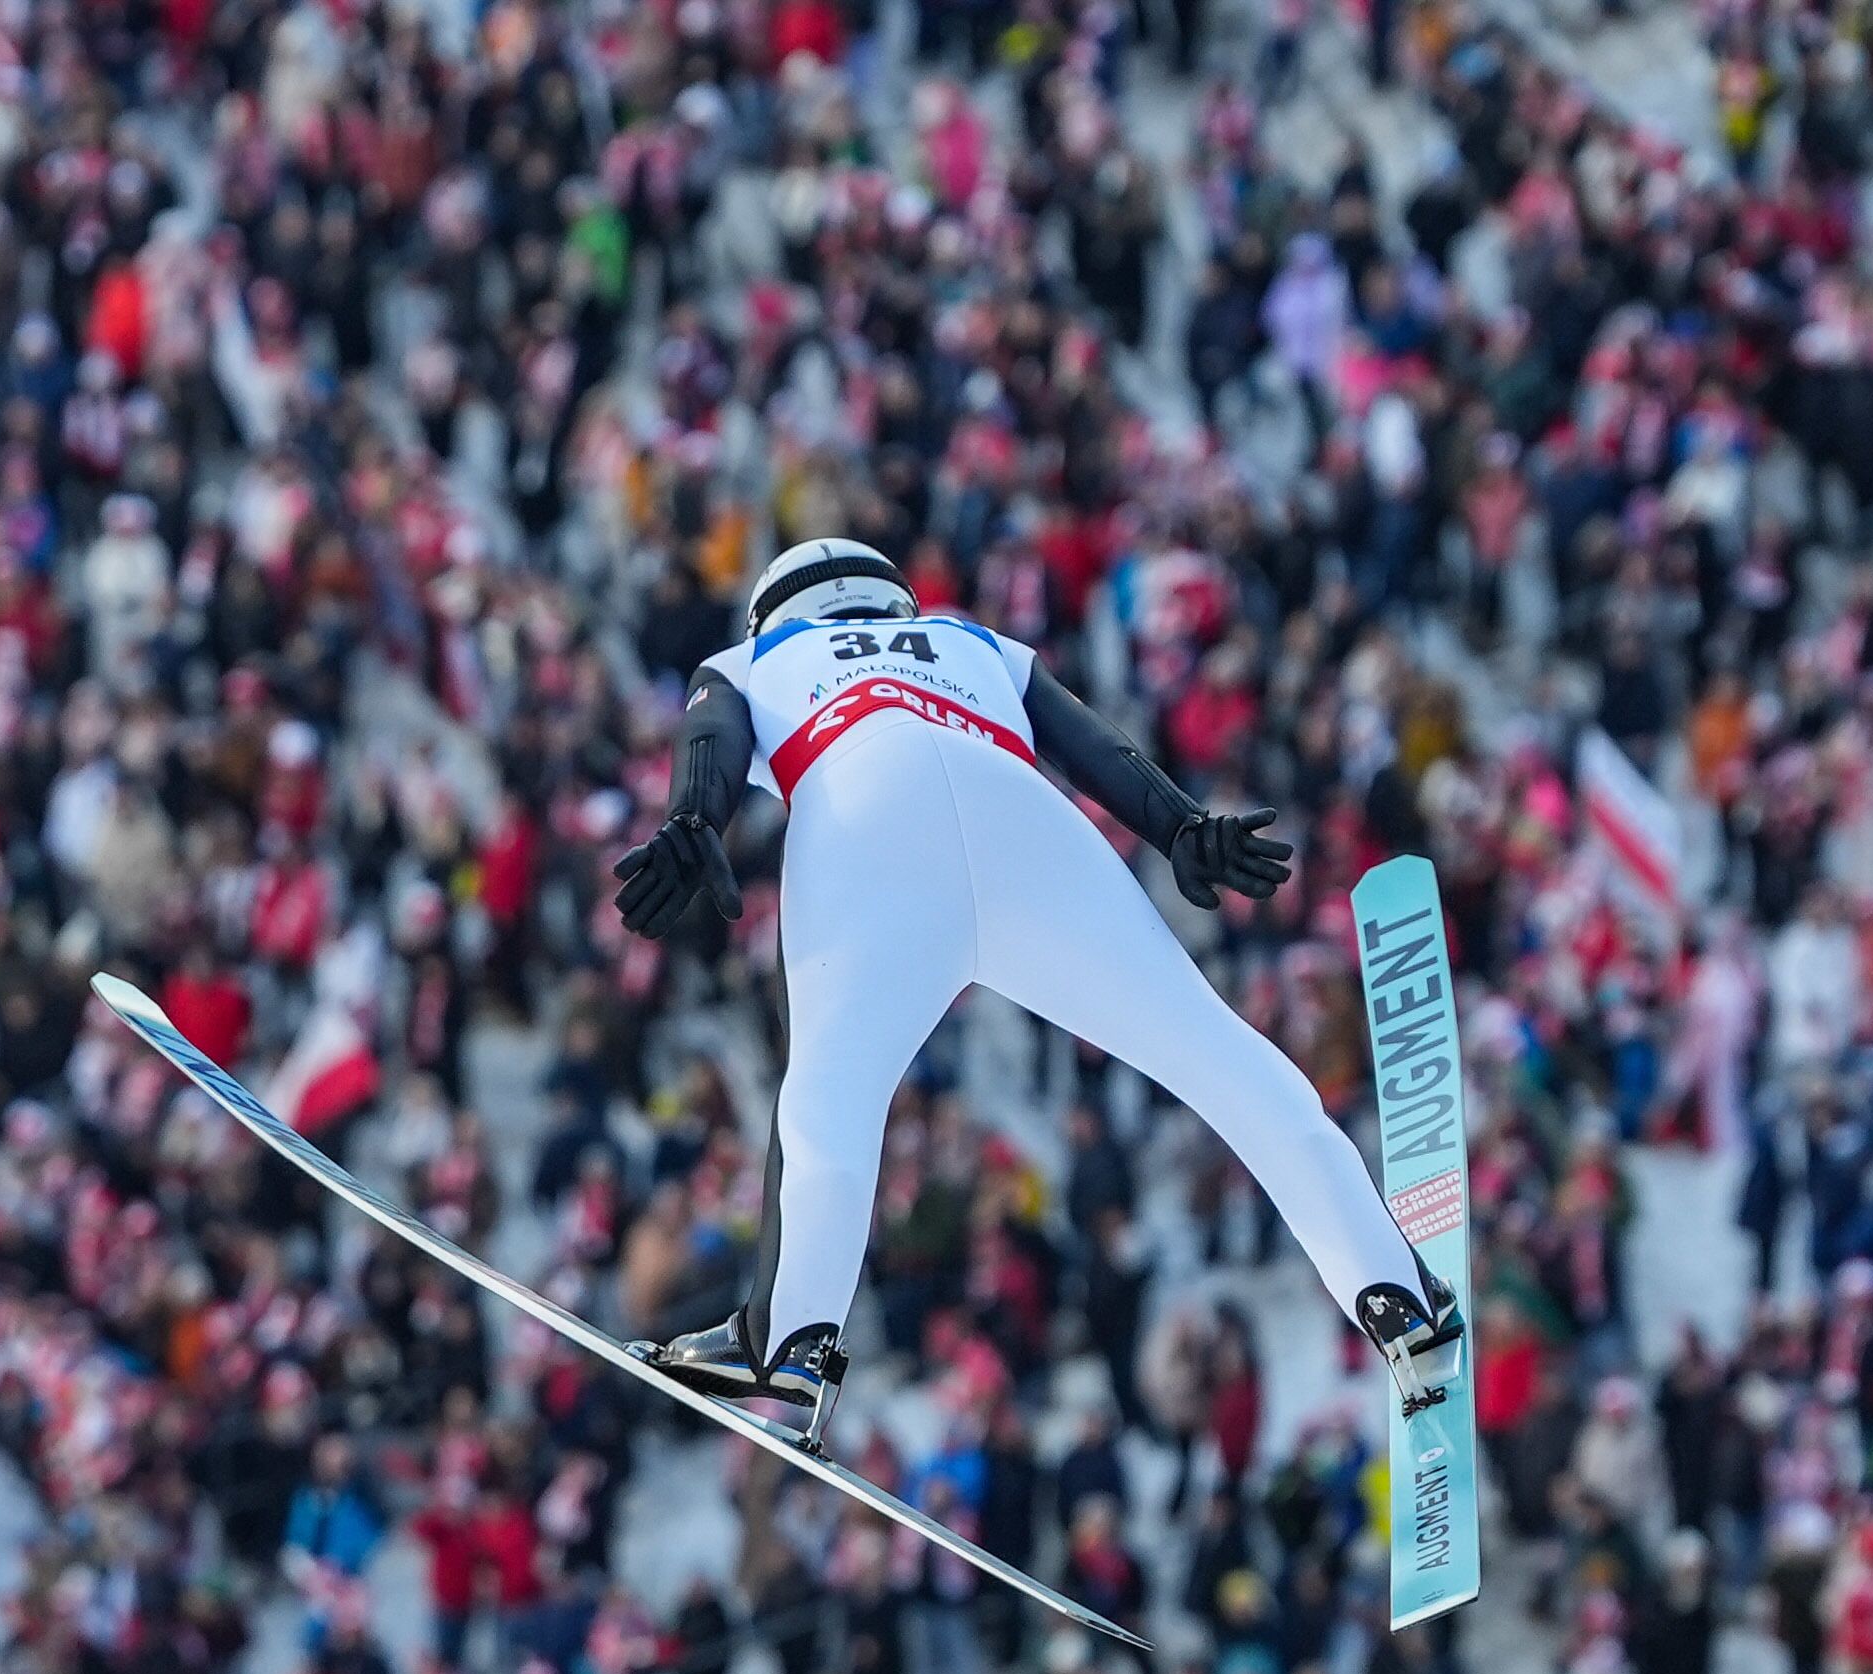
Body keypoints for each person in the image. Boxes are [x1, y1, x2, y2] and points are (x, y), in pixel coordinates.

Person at [614, 539, 1456, 1444]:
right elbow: (1093, 742)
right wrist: (1181, 827)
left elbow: (712, 735)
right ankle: (1396, 1294)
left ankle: (787, 1344)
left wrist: (694, 819)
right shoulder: (966, 637)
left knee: (825, 1103)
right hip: (1020, 819)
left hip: (861, 802)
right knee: (1218, 1057)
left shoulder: (756, 658)